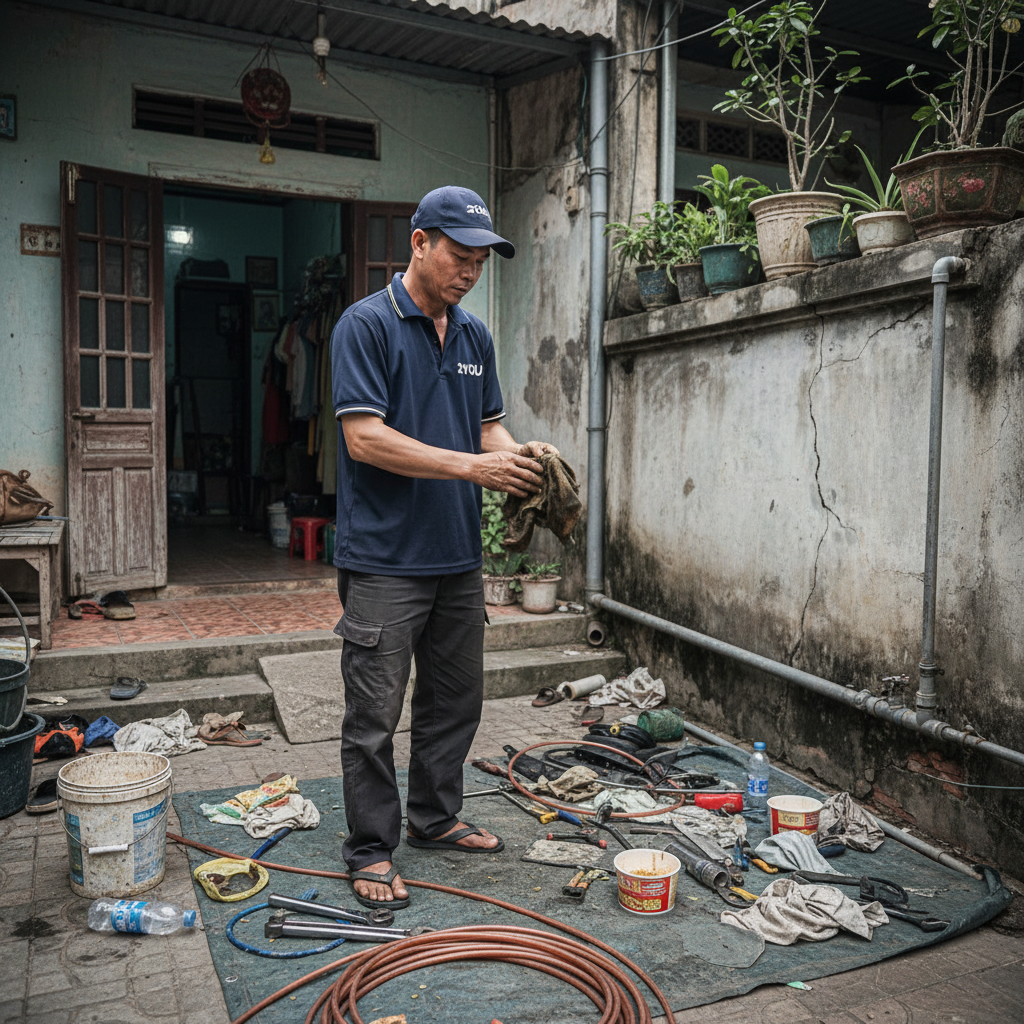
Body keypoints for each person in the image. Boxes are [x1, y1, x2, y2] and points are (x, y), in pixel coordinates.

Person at [330, 185, 559, 909]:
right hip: (384, 561)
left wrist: (520, 458)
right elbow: (362, 437)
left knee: (455, 702)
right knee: (373, 717)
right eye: (459, 256)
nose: (468, 271)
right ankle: (370, 849)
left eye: (480, 262)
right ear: (420, 242)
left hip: (457, 556)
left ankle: (434, 818)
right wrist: (472, 465)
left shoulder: (473, 336)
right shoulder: (364, 325)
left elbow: (487, 427)